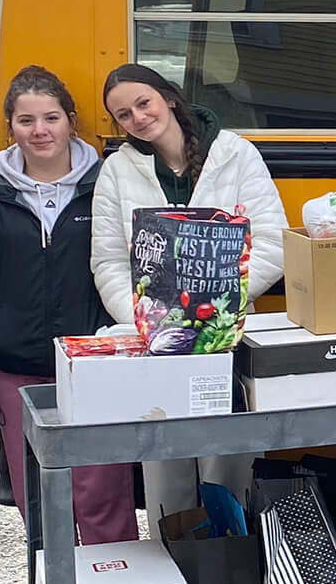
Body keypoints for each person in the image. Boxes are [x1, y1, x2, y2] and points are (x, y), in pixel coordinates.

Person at [92, 64, 286, 527]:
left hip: (226, 338)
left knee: (230, 468)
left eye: (144, 103)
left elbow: (275, 243)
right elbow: (108, 261)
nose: (138, 118)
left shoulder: (235, 155)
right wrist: (148, 320)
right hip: (157, 348)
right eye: (124, 114)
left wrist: (220, 308)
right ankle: (177, 578)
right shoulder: (117, 171)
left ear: (169, 98)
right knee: (166, 473)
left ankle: (236, 580)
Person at [0, 66, 137, 552]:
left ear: (70, 122)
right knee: (35, 489)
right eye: (26, 120)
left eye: (51, 118)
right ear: (10, 127)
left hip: (95, 358)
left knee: (102, 488)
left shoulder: (105, 181)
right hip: (16, 363)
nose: (39, 131)